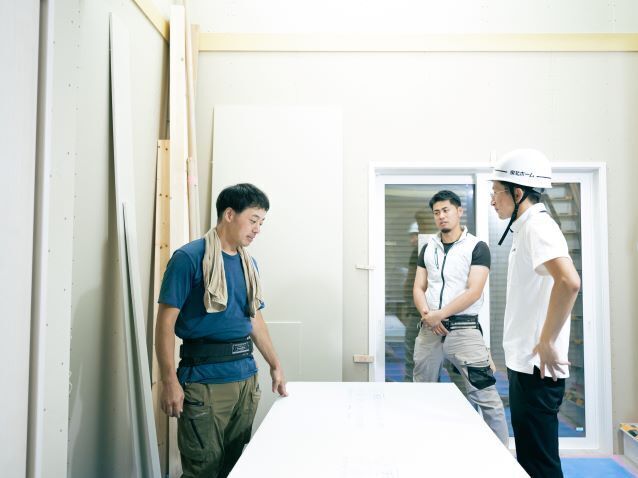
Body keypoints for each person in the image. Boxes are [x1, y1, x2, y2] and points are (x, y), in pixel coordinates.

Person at [155, 183, 288, 478]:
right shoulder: (189, 258)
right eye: (253, 220)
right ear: (229, 214)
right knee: (203, 469)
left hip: (245, 380)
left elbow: (254, 318)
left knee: (237, 467)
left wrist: (275, 364)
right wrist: (169, 381)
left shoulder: (249, 264)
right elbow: (164, 323)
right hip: (204, 382)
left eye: (261, 223)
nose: (257, 229)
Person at [490, 149, 580, 477]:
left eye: (496, 192)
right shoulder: (526, 228)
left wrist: (547, 341)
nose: (492, 200)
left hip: (536, 368)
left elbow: (569, 282)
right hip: (526, 365)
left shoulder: (538, 226)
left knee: (539, 464)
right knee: (530, 459)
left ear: (517, 193)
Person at [412, 190, 509, 445]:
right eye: (436, 212)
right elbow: (418, 287)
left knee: (486, 398)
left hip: (465, 331)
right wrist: (428, 316)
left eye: (446, 210)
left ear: (459, 211)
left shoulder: (477, 247)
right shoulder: (427, 248)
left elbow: (474, 291)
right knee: (421, 394)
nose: (441, 216)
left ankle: (502, 460)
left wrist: (440, 315)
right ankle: (424, 449)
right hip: (429, 332)